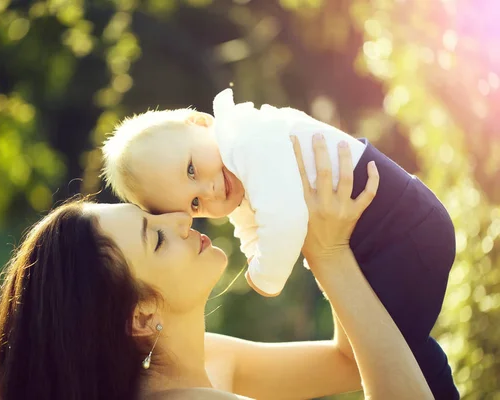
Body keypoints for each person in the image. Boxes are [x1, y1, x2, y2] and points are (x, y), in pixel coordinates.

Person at [0, 138, 434, 400]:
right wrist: (331, 254)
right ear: (140, 314)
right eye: (154, 237)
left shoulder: (205, 360)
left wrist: (320, 235)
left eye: (150, 215)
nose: (180, 218)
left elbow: (348, 362)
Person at [100, 89, 458, 399]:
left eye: (192, 170)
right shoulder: (235, 174)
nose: (199, 201)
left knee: (407, 346)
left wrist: (271, 271)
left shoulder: (244, 141)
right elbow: (250, 228)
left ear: (200, 122)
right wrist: (320, 253)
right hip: (388, 232)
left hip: (398, 222)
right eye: (192, 205)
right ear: (142, 315)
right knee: (410, 349)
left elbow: (284, 221)